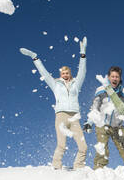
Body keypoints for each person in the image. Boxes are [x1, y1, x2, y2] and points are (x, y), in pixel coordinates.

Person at [20, 39, 88, 170]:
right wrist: (35, 58)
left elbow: (83, 71)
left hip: (74, 117)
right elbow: (44, 73)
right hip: (61, 116)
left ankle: (78, 167)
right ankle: (56, 167)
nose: (65, 75)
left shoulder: (76, 84)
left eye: (67, 73)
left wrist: (83, 54)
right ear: (60, 75)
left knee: (83, 146)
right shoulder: (55, 84)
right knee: (61, 144)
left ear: (70, 74)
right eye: (63, 73)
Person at [83, 66, 124, 178]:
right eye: (112, 76)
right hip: (102, 124)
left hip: (118, 126)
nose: (115, 78)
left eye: (117, 76)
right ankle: (98, 174)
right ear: (108, 77)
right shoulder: (101, 90)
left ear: (120, 79)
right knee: (102, 150)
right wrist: (89, 121)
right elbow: (95, 107)